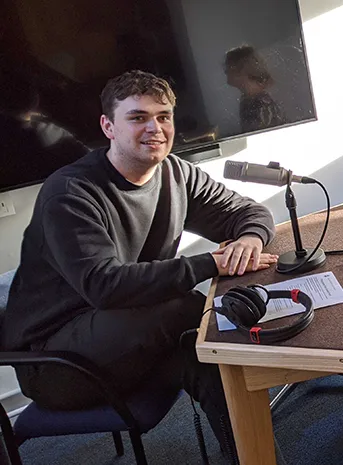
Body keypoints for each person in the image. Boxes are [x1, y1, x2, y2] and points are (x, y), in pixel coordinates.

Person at [0, 70, 279, 460]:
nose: (156, 128)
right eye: (138, 117)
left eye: (164, 116)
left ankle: (253, 455)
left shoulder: (175, 172)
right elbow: (104, 286)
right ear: (108, 127)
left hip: (126, 331)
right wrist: (212, 263)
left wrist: (249, 239)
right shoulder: (69, 193)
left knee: (205, 355)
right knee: (187, 309)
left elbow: (246, 211)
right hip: (57, 362)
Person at [224, 45, 286, 132]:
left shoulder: (262, 107)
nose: (225, 71)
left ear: (242, 70)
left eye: (228, 66)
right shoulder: (247, 99)